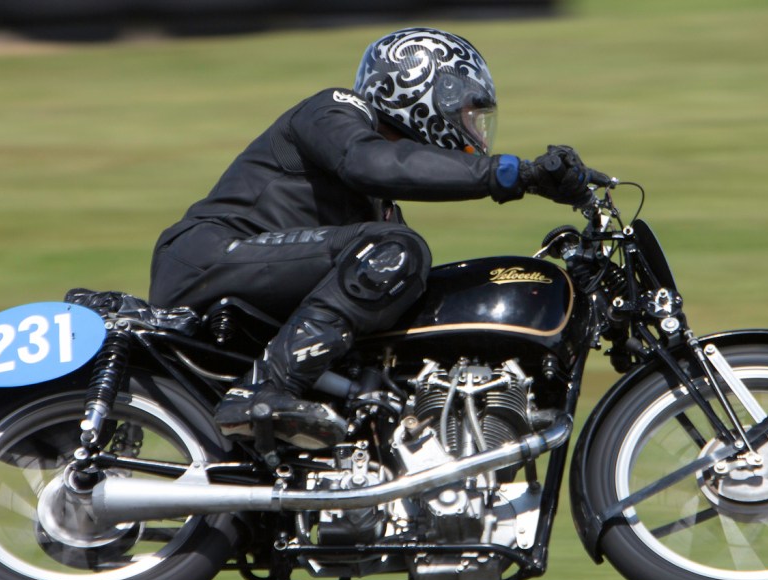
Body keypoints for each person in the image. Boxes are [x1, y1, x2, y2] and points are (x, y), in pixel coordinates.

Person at [149, 27, 594, 449]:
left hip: (256, 287)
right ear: (422, 92)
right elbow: (370, 161)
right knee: (397, 251)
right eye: (467, 114)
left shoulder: (380, 213)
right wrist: (511, 173)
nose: (474, 132)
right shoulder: (334, 109)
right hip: (207, 258)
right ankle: (265, 390)